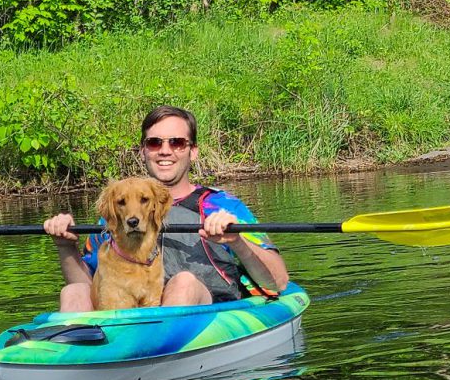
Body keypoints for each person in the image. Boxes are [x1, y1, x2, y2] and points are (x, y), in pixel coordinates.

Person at [43, 105, 289, 311]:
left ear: (193, 152)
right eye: (154, 143)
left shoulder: (220, 206)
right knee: (74, 291)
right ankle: (77, 358)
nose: (165, 150)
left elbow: (278, 282)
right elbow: (92, 285)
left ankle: (158, 355)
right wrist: (66, 246)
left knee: (182, 283)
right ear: (143, 151)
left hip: (208, 308)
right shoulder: (121, 212)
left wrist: (237, 241)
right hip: (141, 313)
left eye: (177, 142)